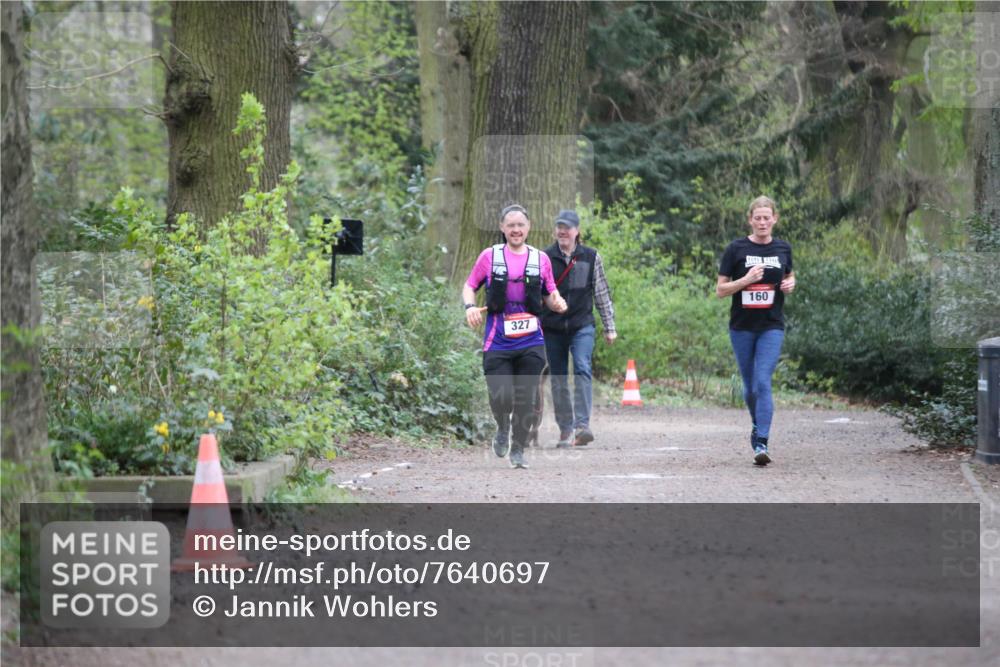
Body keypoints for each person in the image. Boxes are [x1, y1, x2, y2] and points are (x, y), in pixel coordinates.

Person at [463, 205, 568, 469]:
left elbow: (550, 293)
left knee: (525, 396)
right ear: (502, 228)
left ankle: (518, 449)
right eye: (511, 225)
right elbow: (469, 286)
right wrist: (470, 307)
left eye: (520, 225)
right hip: (497, 340)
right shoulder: (490, 256)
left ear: (528, 227)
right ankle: (501, 426)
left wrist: (558, 303)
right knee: (502, 396)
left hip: (531, 341)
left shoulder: (540, 259)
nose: (516, 230)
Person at [716, 196, 796, 466]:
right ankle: (756, 423)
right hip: (742, 327)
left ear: (775, 219)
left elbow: (788, 275)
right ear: (750, 220)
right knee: (749, 388)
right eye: (758, 218)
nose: (762, 222)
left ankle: (762, 441)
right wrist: (746, 280)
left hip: (771, 326)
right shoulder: (735, 249)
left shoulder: (783, 248)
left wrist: (790, 283)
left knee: (763, 381)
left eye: (767, 217)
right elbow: (720, 290)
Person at [540, 209, 617, 448]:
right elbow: (535, 292)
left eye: (568, 227)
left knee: (583, 367)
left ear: (577, 231)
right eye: (559, 226)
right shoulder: (544, 257)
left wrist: (609, 326)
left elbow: (601, 292)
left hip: (581, 324)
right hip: (552, 327)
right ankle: (565, 429)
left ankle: (582, 426)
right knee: (559, 378)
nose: (563, 231)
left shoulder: (591, 257)